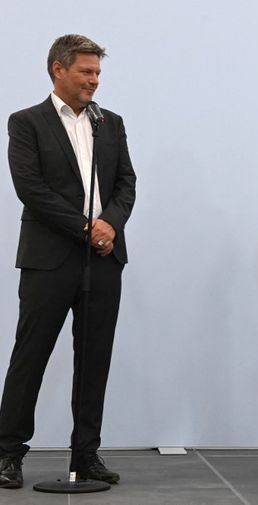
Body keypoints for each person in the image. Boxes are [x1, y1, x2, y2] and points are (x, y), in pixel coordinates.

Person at [0, 34, 136, 489]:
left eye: (98, 72)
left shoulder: (110, 123)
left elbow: (126, 183)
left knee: (94, 359)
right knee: (30, 357)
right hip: (49, 259)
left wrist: (109, 225)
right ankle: (8, 454)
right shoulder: (26, 122)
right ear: (58, 69)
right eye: (86, 71)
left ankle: (86, 454)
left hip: (103, 258)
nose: (94, 81)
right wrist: (85, 227)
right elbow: (31, 189)